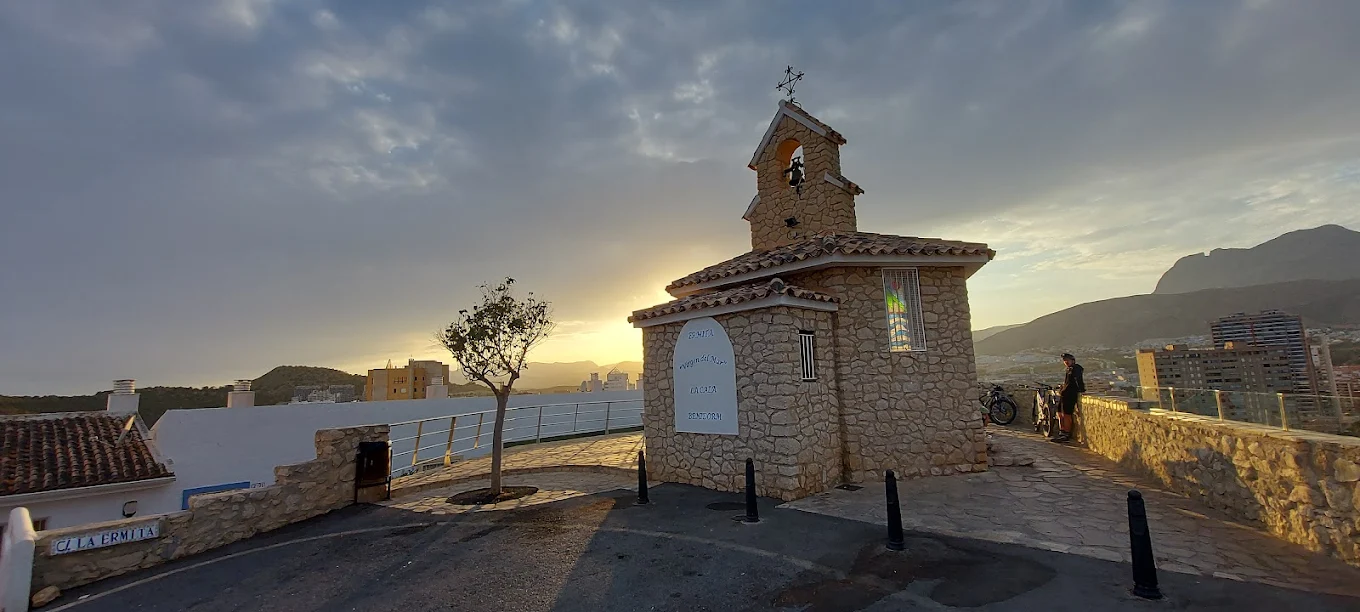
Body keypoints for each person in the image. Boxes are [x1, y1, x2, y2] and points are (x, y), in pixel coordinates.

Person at [1052, 353, 1085, 443]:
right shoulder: (1069, 369)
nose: (1066, 362)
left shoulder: (1076, 369)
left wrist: (1082, 390)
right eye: (1064, 360)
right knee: (1059, 413)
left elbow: (1078, 380)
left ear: (1072, 360)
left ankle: (1066, 433)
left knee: (1067, 414)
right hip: (1064, 394)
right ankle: (1061, 431)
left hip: (1070, 394)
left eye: (1067, 360)